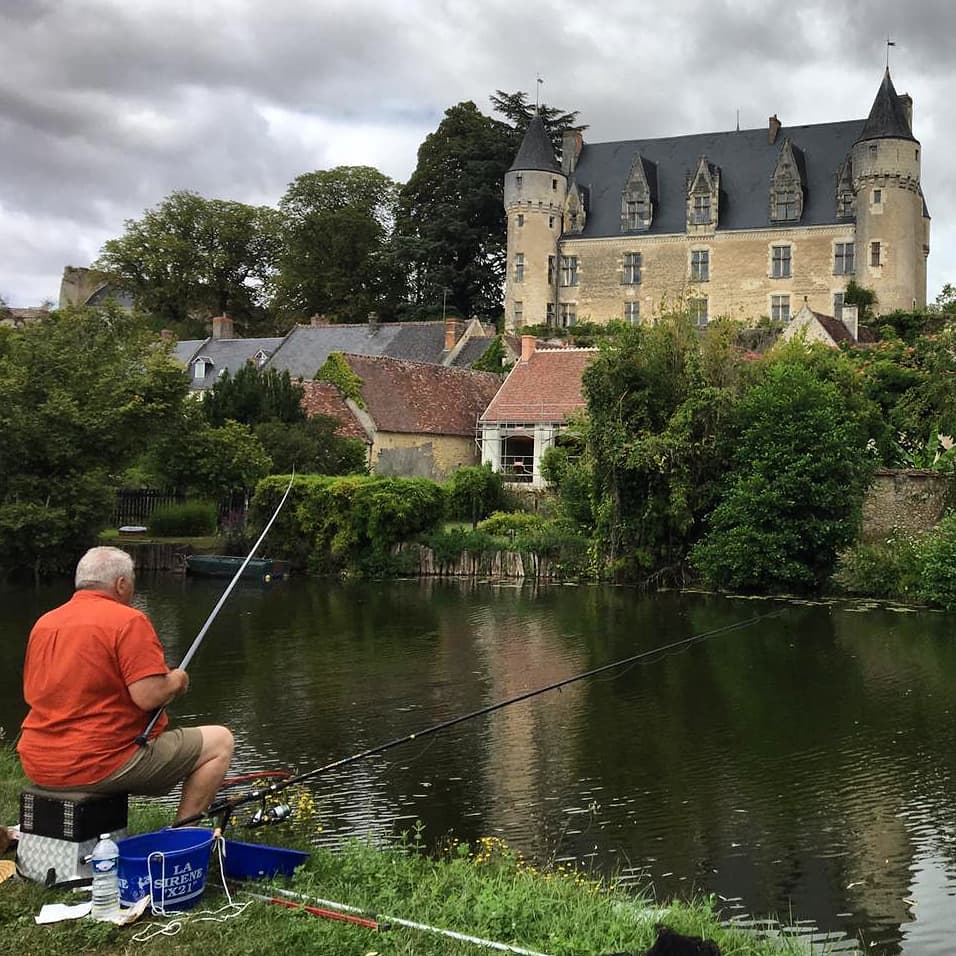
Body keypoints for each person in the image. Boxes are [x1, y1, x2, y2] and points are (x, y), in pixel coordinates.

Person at [17, 546, 234, 823]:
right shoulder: (128, 621)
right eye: (131, 582)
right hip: (98, 763)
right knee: (219, 741)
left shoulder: (45, 624)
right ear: (121, 584)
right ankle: (183, 837)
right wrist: (177, 680)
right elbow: (149, 696)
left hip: (38, 762)